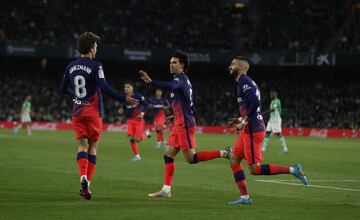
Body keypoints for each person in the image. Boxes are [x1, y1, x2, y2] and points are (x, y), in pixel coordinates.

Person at [139, 50, 232, 198]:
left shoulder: (180, 79)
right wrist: (175, 115)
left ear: (182, 65)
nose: (171, 65)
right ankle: (166, 190)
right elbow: (189, 104)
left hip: (185, 124)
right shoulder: (182, 81)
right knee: (168, 155)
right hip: (179, 122)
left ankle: (225, 153)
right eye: (170, 63)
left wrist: (151, 82)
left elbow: (170, 86)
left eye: (174, 62)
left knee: (191, 159)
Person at [61, 32, 138, 200]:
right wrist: (122, 99)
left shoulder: (71, 66)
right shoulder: (96, 65)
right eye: (96, 46)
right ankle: (87, 183)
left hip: (77, 112)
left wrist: (76, 96)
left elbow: (63, 88)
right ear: (91, 48)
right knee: (93, 148)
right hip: (94, 112)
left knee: (82, 145)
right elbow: (103, 87)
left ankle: (82, 177)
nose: (97, 49)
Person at [226, 56, 308, 205]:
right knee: (234, 160)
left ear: (243, 67)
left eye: (233, 64)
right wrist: (241, 119)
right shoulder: (244, 83)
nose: (230, 66)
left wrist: (244, 121)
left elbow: (256, 102)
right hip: (248, 129)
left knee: (254, 169)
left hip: (253, 130)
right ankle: (245, 198)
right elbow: (254, 107)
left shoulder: (244, 81)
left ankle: (293, 170)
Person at [118, 83, 149, 161]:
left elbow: (146, 104)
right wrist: (122, 109)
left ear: (132, 88)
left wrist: (142, 113)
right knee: (131, 139)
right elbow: (126, 107)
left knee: (137, 140)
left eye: (128, 87)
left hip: (138, 120)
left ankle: (147, 133)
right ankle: (137, 156)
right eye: (125, 87)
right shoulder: (124, 98)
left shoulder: (138, 96)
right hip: (129, 120)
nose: (126, 88)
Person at [261, 89, 288, 153]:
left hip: (276, 120)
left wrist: (263, 113)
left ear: (275, 94)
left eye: (271, 94)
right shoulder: (272, 101)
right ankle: (263, 148)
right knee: (267, 133)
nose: (270, 95)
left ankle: (285, 149)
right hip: (271, 120)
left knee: (278, 134)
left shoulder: (276, 101)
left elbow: (273, 109)